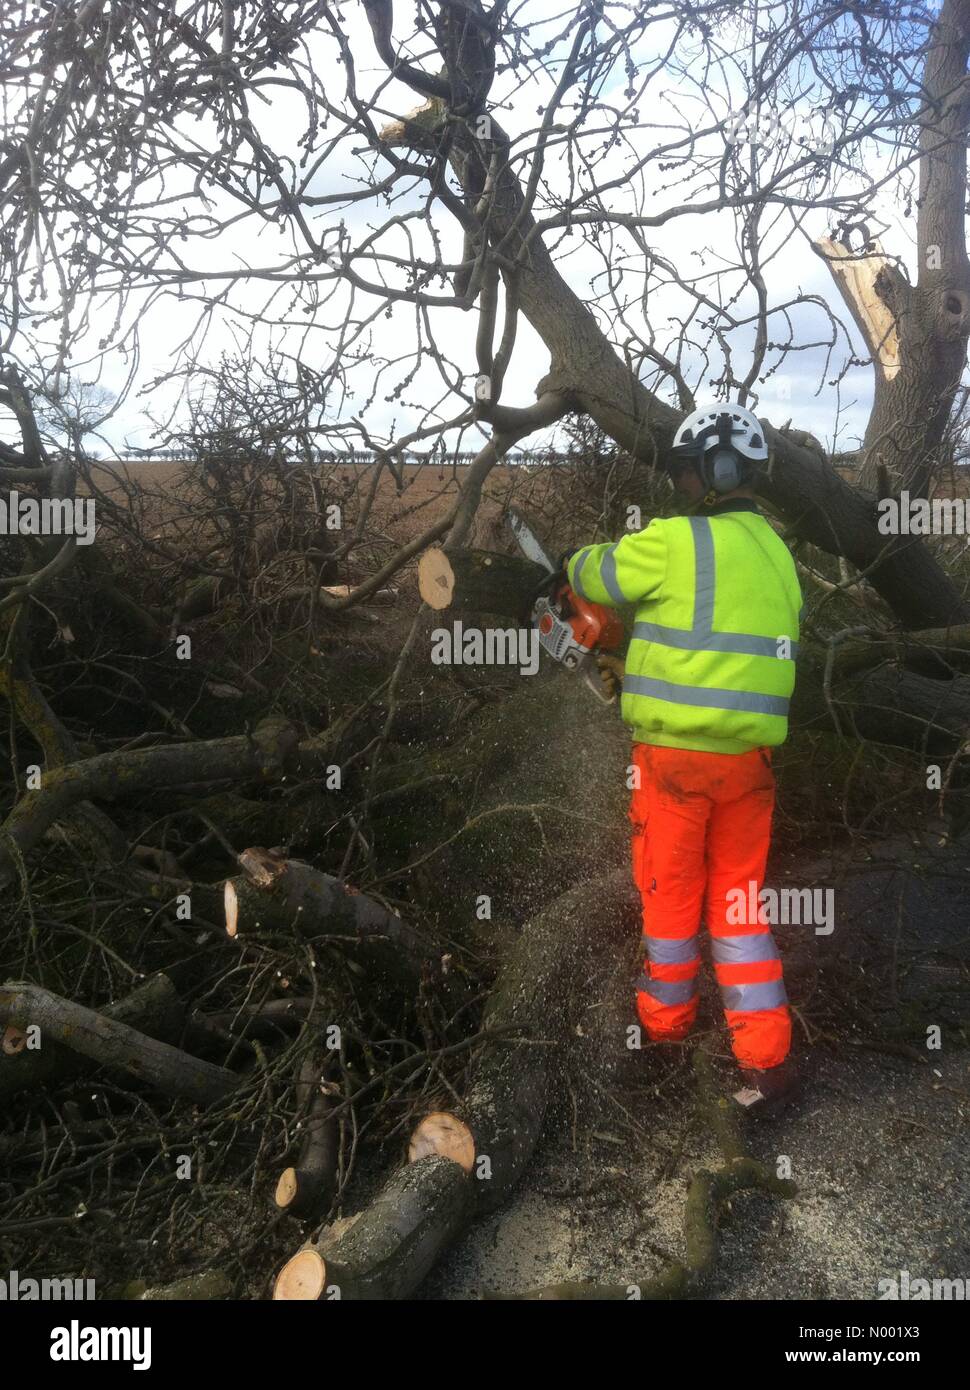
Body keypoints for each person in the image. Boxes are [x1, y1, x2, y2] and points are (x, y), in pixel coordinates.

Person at [565, 405, 802, 1108]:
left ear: (717, 470)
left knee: (668, 901)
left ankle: (663, 1035)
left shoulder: (674, 540)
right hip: (751, 766)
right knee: (738, 904)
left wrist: (570, 564)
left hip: (673, 763)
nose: (685, 483)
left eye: (691, 470)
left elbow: (597, 573)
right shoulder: (781, 557)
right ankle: (764, 1055)